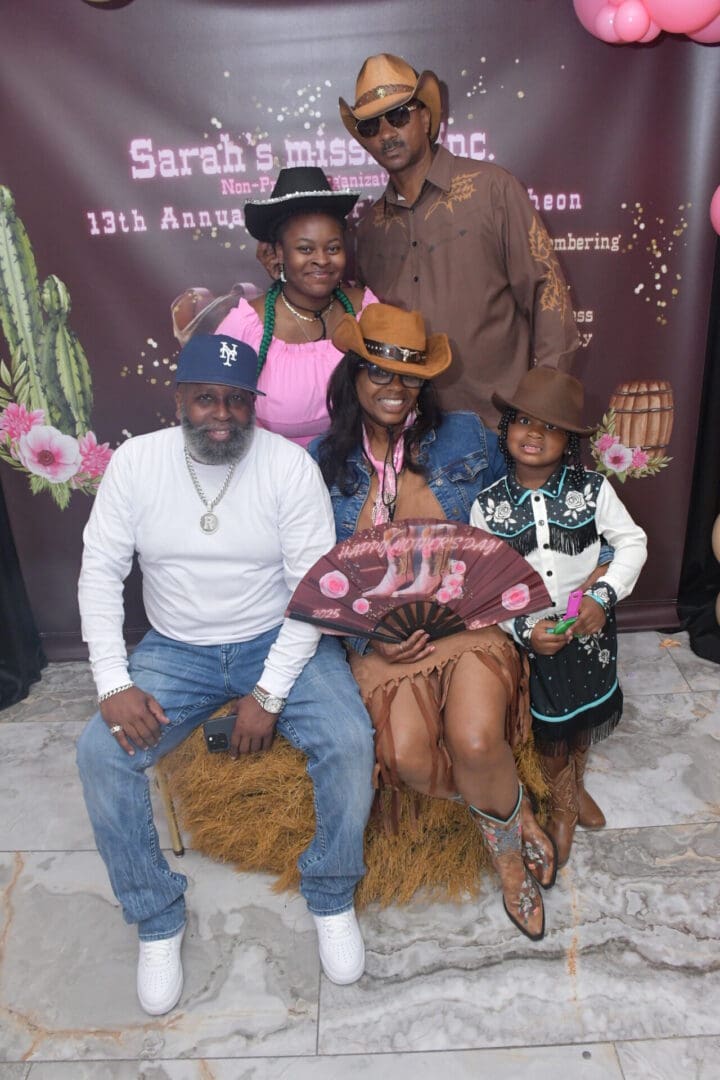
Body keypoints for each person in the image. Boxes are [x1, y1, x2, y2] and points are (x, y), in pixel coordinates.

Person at [76, 333, 375, 1015]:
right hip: (176, 648)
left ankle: (330, 893)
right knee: (99, 754)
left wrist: (266, 694)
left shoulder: (287, 467)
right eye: (206, 396)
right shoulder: (136, 463)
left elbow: (313, 591)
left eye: (238, 400)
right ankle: (156, 916)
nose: (222, 413)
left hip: (278, 632)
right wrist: (113, 684)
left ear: (254, 406)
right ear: (179, 398)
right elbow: (99, 574)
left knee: (349, 742)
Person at [310, 302, 557, 942]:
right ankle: (511, 806)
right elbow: (321, 574)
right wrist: (375, 636)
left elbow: (521, 514)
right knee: (411, 759)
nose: (395, 389)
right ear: (353, 375)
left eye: (410, 376)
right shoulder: (322, 462)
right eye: (379, 372)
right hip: (382, 647)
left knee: (474, 740)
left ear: (426, 381)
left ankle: (506, 860)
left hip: (466, 626)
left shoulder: (468, 437)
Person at [339, 54, 580, 428]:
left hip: (496, 428)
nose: (386, 133)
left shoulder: (491, 189)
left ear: (425, 116)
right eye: (371, 126)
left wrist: (541, 412)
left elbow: (546, 293)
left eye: (399, 115)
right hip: (407, 438)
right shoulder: (370, 229)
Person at [470, 367, 647, 865]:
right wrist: (524, 629)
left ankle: (570, 796)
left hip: (589, 630)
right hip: (538, 636)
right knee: (551, 728)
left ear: (568, 439)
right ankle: (565, 804)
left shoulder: (593, 489)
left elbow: (632, 542)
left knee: (584, 717)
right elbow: (487, 587)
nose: (535, 434)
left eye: (550, 426)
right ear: (506, 430)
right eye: (524, 421)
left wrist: (604, 595)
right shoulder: (487, 506)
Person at [216, 166, 378, 446]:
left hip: (358, 478)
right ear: (279, 252)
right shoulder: (244, 327)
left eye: (333, 248)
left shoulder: (366, 308)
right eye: (305, 249)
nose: (322, 260)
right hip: (276, 482)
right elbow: (214, 416)